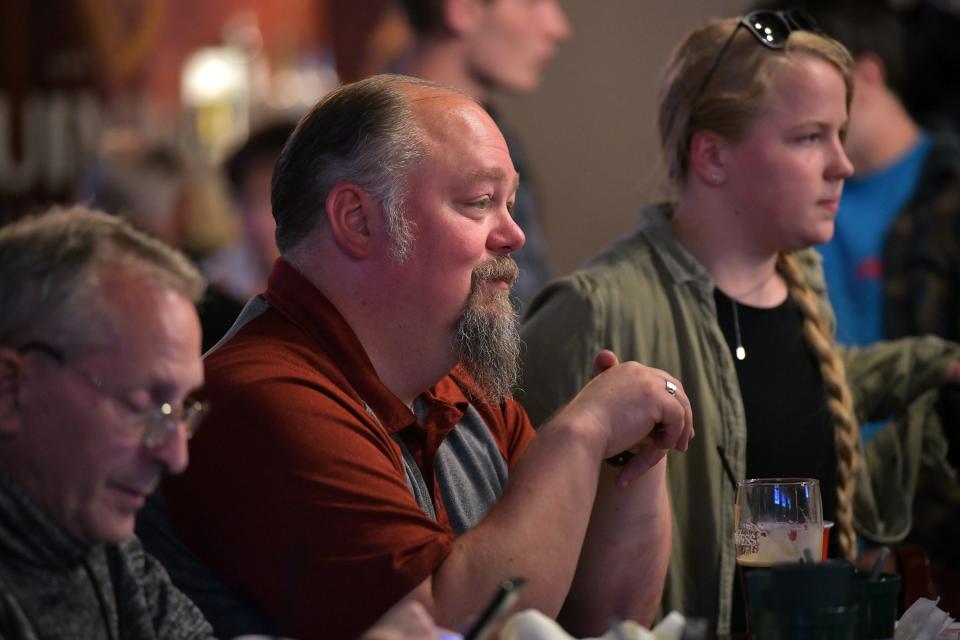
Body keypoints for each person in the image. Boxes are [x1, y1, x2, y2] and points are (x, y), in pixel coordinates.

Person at [155, 74, 694, 640]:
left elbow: (597, 622)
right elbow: (443, 626)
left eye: (509, 204)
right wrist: (581, 433)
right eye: (480, 203)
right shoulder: (260, 397)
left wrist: (631, 457)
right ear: (358, 220)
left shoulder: (461, 386)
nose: (513, 235)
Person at [519, 11, 960, 636]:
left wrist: (938, 373)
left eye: (840, 135)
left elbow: (800, 429)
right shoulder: (593, 313)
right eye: (809, 138)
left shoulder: (801, 285)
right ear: (713, 155)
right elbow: (526, 573)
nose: (843, 165)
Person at [0, 206, 214, 639]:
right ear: (10, 390)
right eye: (141, 405)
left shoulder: (102, 543)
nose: (175, 456)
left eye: (180, 410)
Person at [395, 0, 571, 309]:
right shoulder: (368, 148)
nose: (558, 28)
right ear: (463, 8)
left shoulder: (501, 137)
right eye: (533, 3)